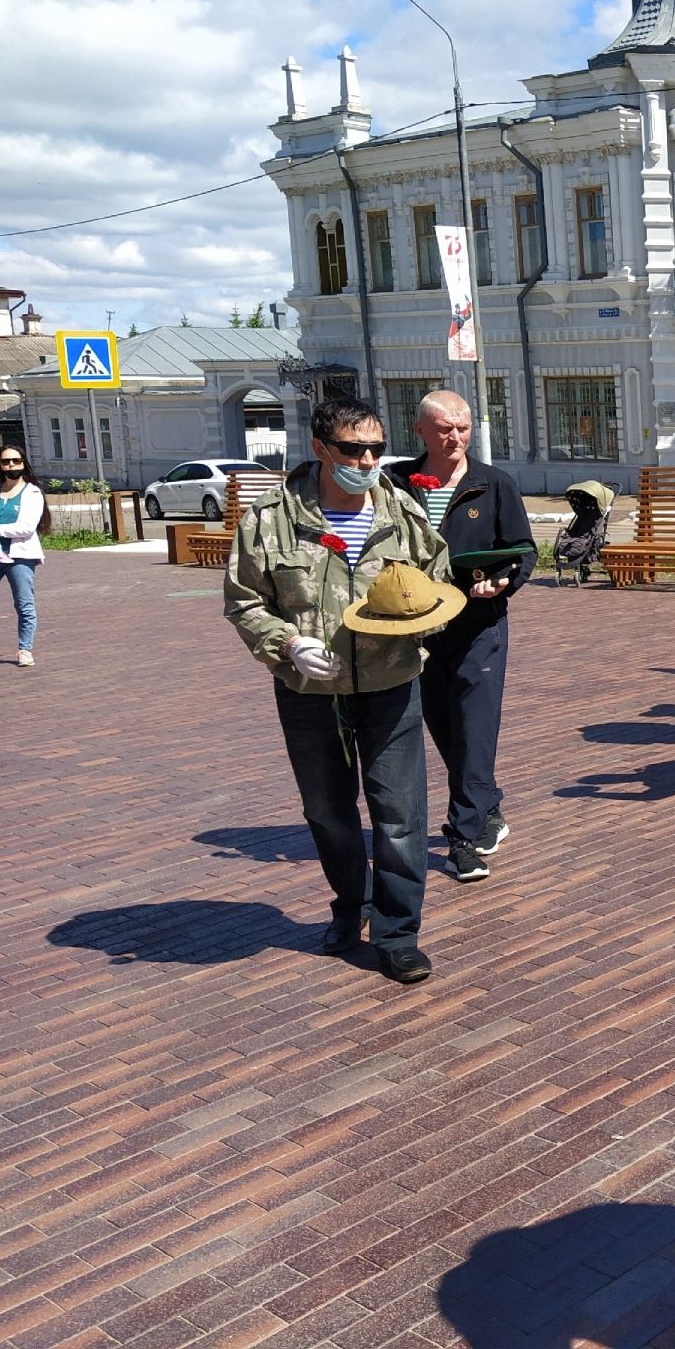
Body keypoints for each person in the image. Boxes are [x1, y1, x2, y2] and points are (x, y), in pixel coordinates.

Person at [225, 396, 455, 984]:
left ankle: (398, 933)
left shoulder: (401, 510)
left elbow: (438, 581)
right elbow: (245, 601)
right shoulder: (272, 519)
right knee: (327, 811)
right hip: (308, 690)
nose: (369, 459)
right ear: (321, 449)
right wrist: (286, 644)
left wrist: (422, 620)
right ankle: (349, 908)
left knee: (400, 815)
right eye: (354, 449)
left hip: (390, 683)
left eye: (377, 447)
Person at [386, 390, 537, 882]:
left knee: (475, 728)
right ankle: (486, 804)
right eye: (445, 428)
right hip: (419, 628)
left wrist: (504, 581)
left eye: (464, 428)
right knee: (445, 727)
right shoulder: (396, 483)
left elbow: (523, 549)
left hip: (479, 625)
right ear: (421, 431)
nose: (455, 437)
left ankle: (463, 839)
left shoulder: (492, 483)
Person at [0, 444, 46, 666]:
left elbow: (26, 527)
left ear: (23, 463)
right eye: (5, 461)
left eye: (15, 461)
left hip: (20, 556)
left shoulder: (32, 492)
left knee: (24, 603)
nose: (11, 465)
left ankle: (25, 650)